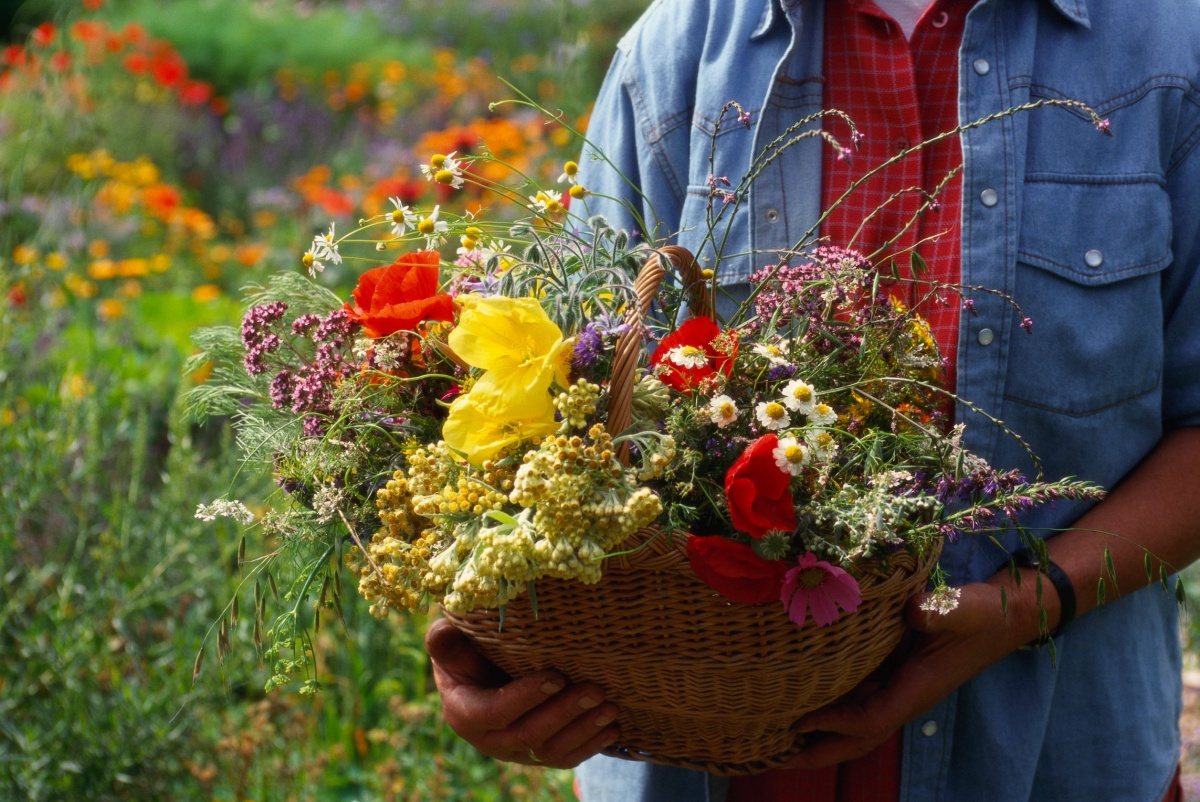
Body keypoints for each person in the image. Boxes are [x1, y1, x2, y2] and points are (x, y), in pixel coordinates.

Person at [424, 0, 1200, 798]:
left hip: (1053, 752)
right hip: (693, 751)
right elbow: (553, 408)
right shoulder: (679, 52)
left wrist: (1026, 606)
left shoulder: (1165, 48)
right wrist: (491, 653)